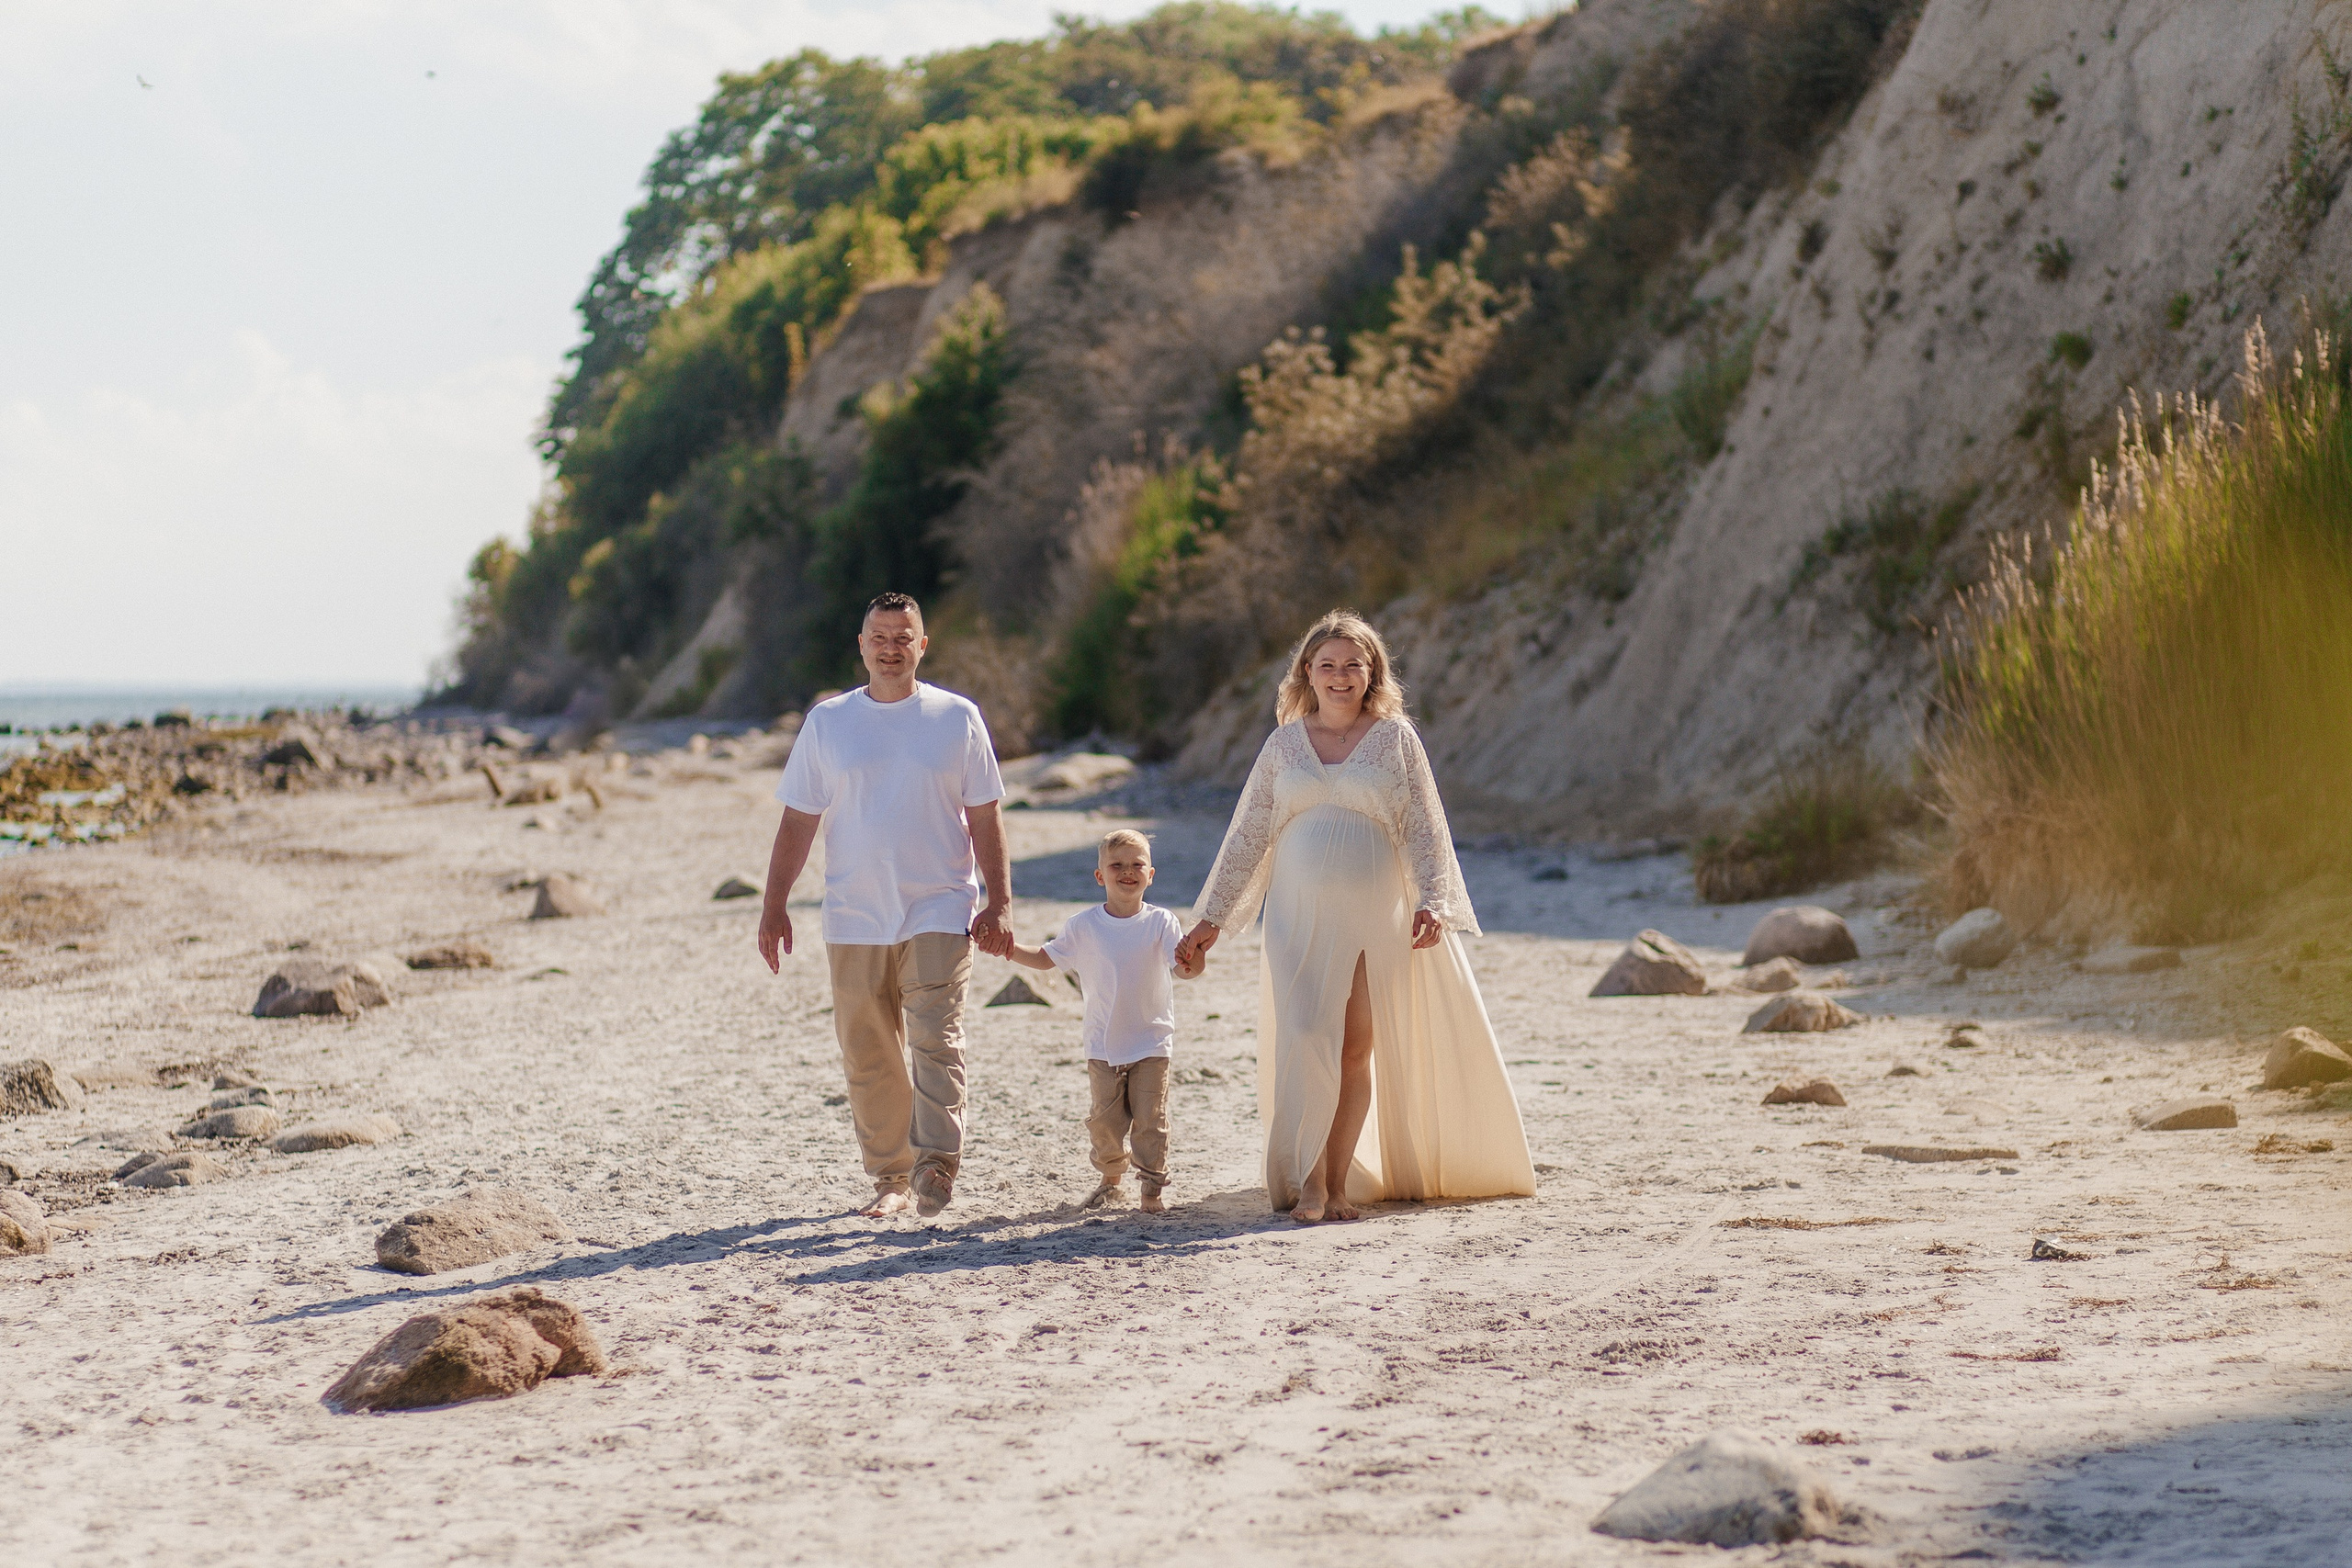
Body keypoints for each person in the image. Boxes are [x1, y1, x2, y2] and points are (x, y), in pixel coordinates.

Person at [1176, 610, 1536, 1223]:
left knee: (1353, 1049)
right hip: (1296, 915)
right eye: (1328, 665)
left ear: (1372, 672)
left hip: (1378, 913)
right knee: (1308, 1036)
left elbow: (1426, 826)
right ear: (1306, 674)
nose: (1341, 676)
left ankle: (1334, 1185)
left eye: (1353, 664)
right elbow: (1248, 836)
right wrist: (1211, 919)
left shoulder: (1395, 738)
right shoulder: (1283, 745)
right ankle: (1310, 1179)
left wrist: (1434, 899)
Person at [757, 592, 1013, 1220]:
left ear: (923, 645)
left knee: (935, 1039)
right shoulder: (829, 722)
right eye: (880, 637)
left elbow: (985, 814)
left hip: (940, 906)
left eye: (904, 637)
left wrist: (1000, 902)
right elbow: (798, 818)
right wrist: (774, 903)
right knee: (868, 1051)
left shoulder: (957, 718)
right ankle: (892, 1178)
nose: (891, 648)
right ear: (862, 646)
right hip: (854, 914)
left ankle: (934, 1167)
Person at [1004, 829, 1204, 1213]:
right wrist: (1008, 948)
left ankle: (1151, 1192)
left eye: (1136, 865)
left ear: (1151, 874)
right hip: (1101, 1043)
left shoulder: (1162, 922)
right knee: (1105, 1124)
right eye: (1117, 865)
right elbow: (1047, 958)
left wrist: (1196, 956)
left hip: (1151, 1039)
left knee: (1151, 1121)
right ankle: (1110, 1180)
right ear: (1100, 876)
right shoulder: (1083, 925)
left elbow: (1185, 968)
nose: (1127, 872)